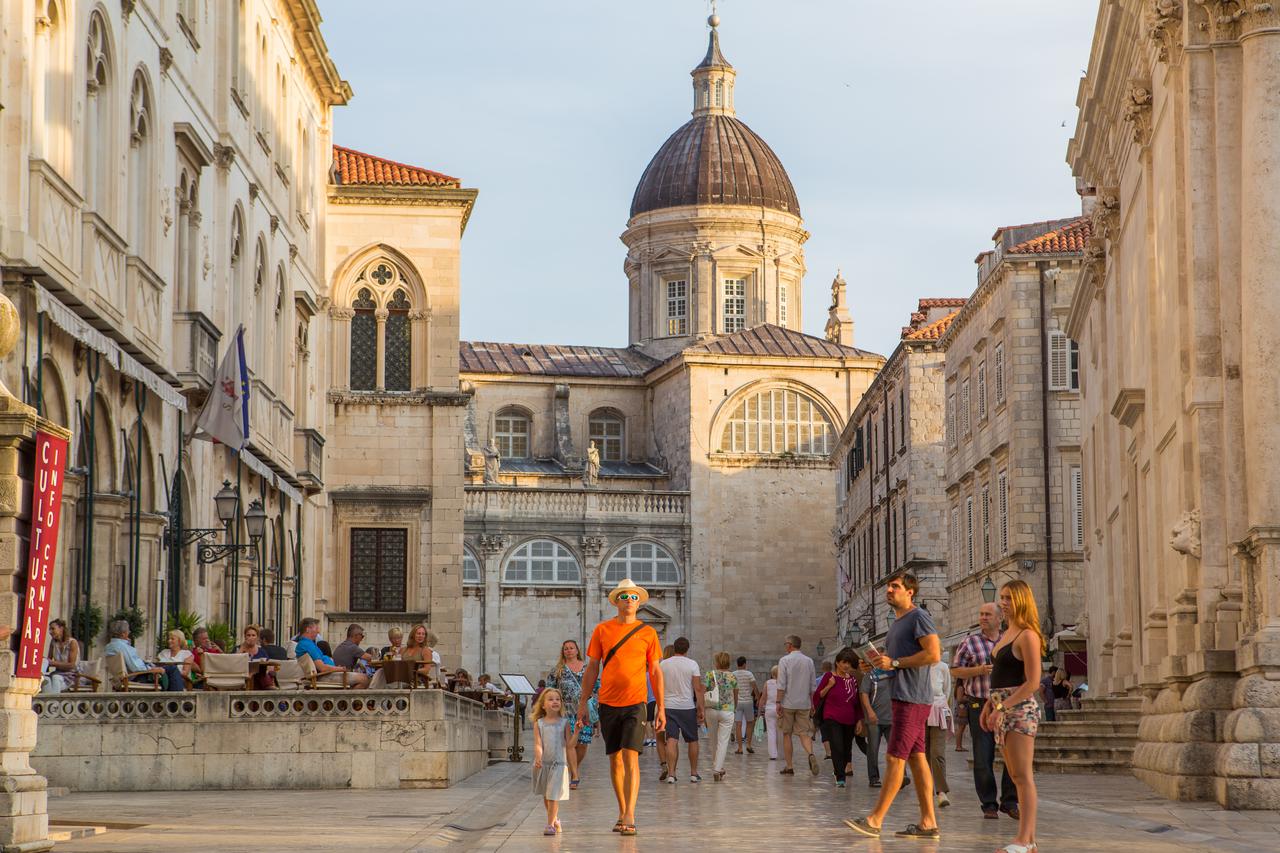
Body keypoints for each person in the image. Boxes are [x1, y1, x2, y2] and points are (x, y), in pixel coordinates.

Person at [845, 571, 942, 840]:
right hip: (903, 695)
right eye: (888, 587)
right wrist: (876, 663)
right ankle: (928, 823)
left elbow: (934, 653)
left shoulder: (918, 617)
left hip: (911, 698)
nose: (889, 590)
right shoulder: (897, 624)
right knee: (916, 758)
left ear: (910, 592)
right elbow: (893, 662)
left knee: (894, 757)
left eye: (895, 586)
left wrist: (895, 663)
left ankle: (875, 820)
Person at [576, 579, 664, 838]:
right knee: (615, 759)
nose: (629, 599)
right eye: (624, 595)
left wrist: (661, 707)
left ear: (639, 602)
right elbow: (592, 667)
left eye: (634, 596)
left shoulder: (648, 633)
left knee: (631, 756)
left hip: (636, 702)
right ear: (616, 601)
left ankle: (630, 815)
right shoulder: (602, 630)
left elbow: (656, 671)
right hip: (608, 703)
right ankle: (621, 810)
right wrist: (583, 702)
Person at [982, 580, 1045, 853]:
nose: (1003, 603)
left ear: (1021, 600)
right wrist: (989, 704)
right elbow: (1000, 677)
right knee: (1015, 775)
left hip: (1018, 710)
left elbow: (1032, 682)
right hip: (1002, 706)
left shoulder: (1027, 635)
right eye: (1002, 597)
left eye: (1008, 598)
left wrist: (1001, 707)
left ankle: (1025, 839)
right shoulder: (1008, 633)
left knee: (1022, 775)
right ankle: (1028, 842)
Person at [952, 602, 1018, 819]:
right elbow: (955, 671)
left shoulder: (1010, 640)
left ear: (999, 618)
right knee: (983, 756)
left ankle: (1009, 801)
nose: (983, 617)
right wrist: (978, 670)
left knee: (1012, 755)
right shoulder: (970, 642)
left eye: (987, 614)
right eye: (981, 614)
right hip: (978, 703)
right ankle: (989, 803)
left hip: (1006, 704)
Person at [546, 639, 596, 789]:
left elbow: (597, 685)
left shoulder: (587, 667)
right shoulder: (558, 670)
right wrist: (552, 708)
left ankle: (573, 768)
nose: (568, 651)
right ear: (563, 652)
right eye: (566, 648)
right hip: (566, 711)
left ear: (577, 650)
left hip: (585, 710)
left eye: (571, 648)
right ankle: (574, 775)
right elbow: (550, 689)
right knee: (570, 743)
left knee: (582, 744)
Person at [531, 687, 577, 836]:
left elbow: (570, 745)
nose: (555, 702)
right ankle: (556, 819)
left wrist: (576, 732)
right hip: (544, 764)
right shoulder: (539, 724)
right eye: (550, 699)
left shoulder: (564, 723)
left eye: (557, 699)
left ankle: (550, 825)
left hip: (559, 765)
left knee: (553, 795)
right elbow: (538, 744)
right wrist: (538, 757)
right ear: (543, 705)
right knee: (546, 795)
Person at [814, 647, 861, 788]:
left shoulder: (852, 679)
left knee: (847, 748)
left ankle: (843, 769)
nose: (846, 665)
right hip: (832, 717)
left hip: (850, 718)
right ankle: (840, 776)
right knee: (837, 746)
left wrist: (859, 719)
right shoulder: (829, 676)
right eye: (844, 662)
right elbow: (818, 696)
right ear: (837, 662)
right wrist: (829, 686)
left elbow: (857, 702)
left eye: (849, 663)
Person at [659, 636, 703, 783]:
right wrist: (700, 708)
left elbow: (659, 686)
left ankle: (671, 774)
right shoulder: (692, 664)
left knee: (671, 740)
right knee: (693, 740)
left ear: (675, 648)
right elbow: (697, 688)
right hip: (687, 706)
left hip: (668, 706)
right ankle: (693, 773)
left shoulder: (663, 664)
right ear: (687, 649)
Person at [776, 634, 818, 776]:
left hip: (788, 702)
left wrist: (778, 702)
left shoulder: (784, 660)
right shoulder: (809, 661)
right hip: (804, 703)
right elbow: (813, 685)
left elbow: (781, 684)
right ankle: (811, 754)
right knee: (804, 733)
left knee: (787, 734)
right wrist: (813, 703)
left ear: (789, 645)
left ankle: (789, 766)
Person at [295, 617, 370, 688]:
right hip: (325, 676)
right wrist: (339, 669)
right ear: (308, 629)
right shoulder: (307, 645)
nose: (318, 631)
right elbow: (322, 668)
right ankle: (346, 700)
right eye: (316, 628)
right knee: (365, 679)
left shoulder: (305, 643)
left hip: (328, 674)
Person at [858, 659, 896, 788]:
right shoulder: (871, 676)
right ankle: (874, 778)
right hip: (875, 719)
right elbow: (864, 695)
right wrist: (870, 712)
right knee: (873, 749)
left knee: (895, 749)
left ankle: (900, 776)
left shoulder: (894, 674)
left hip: (892, 718)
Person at [702, 652, 738, 782]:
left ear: (716, 661)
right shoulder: (733, 676)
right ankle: (717, 768)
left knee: (713, 740)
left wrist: (701, 708)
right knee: (723, 741)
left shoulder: (710, 674)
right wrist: (734, 708)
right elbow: (735, 694)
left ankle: (717, 766)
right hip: (727, 711)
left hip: (711, 710)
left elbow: (704, 691)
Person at [104, 620, 165, 687]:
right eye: (128, 631)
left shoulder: (109, 646)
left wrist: (128, 644)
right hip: (136, 677)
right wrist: (151, 669)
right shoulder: (122, 646)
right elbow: (135, 667)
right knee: (171, 670)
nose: (129, 632)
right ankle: (173, 696)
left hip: (121, 678)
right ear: (123, 634)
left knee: (168, 672)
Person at [927, 660, 953, 808]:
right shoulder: (919, 665)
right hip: (921, 711)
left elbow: (947, 690)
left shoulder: (943, 667)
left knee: (937, 752)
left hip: (939, 711)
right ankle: (926, 789)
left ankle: (941, 791)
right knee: (922, 754)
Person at [44, 619, 80, 692]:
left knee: (56, 678)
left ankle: (53, 702)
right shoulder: (53, 642)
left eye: (53, 629)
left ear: (61, 628)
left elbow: (72, 665)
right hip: (57, 673)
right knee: (45, 679)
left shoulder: (72, 643)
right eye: (49, 629)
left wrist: (52, 663)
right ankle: (51, 702)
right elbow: (48, 660)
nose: (50, 632)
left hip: (70, 676)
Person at [731, 656, 758, 754]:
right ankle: (749, 745)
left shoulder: (733, 674)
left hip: (737, 702)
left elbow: (732, 689)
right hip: (748, 702)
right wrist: (758, 698)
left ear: (737, 664)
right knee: (750, 723)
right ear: (745, 664)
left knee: (738, 724)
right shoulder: (749, 673)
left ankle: (740, 748)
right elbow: (754, 687)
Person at [240, 625, 273, 689]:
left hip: (259, 678)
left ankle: (269, 687)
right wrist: (242, 648)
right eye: (248, 635)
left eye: (253, 635)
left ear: (257, 638)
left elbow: (268, 665)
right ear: (245, 637)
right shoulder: (239, 649)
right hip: (243, 675)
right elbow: (234, 662)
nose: (251, 637)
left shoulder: (262, 651)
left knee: (261, 673)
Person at [763, 665, 781, 760]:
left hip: (769, 709)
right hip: (780, 709)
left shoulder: (768, 683)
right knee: (781, 731)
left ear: (772, 674)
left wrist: (760, 709)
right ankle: (782, 752)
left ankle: (773, 754)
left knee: (771, 731)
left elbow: (763, 697)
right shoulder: (783, 683)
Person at [953, 676, 969, 751]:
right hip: (961, 710)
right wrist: (967, 698)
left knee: (961, 728)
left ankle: (959, 746)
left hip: (961, 710)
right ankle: (958, 746)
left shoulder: (959, 687)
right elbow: (960, 699)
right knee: (960, 728)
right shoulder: (961, 688)